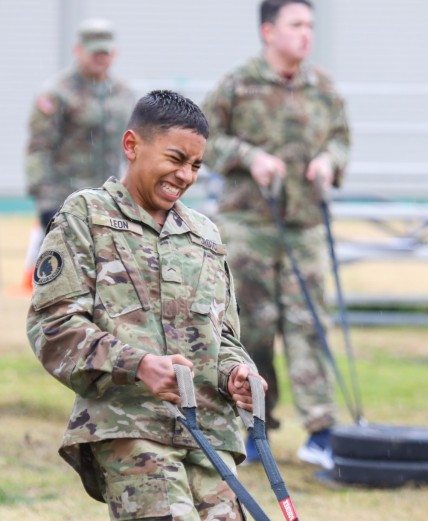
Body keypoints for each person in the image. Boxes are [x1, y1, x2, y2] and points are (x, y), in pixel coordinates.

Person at [26, 89, 265, 520]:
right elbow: (53, 326)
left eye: (196, 165)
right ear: (132, 145)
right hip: (130, 425)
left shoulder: (205, 233)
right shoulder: (87, 216)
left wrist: (236, 374)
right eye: (176, 159)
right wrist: (138, 366)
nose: (186, 175)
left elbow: (223, 336)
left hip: (210, 433)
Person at [201, 0, 350, 469]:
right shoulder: (237, 84)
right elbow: (202, 139)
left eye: (310, 25)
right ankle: (253, 425)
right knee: (253, 329)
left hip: (303, 224)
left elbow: (341, 137)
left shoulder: (323, 87)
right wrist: (249, 155)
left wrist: (330, 161)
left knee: (308, 324)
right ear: (269, 31)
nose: (306, 34)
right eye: (296, 24)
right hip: (248, 225)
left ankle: (321, 429)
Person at [25, 18, 135, 231]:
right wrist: (46, 204)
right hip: (68, 202)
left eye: (105, 53)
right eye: (94, 53)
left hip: (110, 200)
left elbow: (132, 146)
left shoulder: (124, 93)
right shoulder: (57, 93)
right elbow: (38, 149)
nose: (100, 58)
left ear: (114, 53)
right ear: (78, 50)